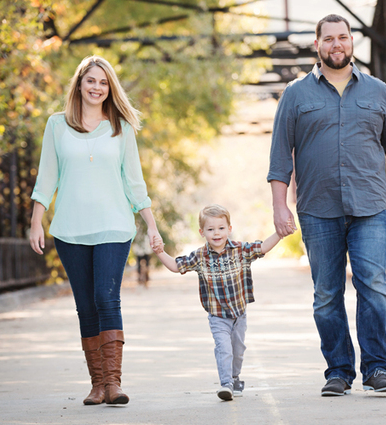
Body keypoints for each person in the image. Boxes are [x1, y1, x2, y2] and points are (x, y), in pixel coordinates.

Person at [267, 14, 386, 397]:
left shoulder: (378, 91)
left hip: (370, 206)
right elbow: (280, 157)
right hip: (318, 209)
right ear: (317, 45)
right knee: (327, 295)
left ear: (352, 42)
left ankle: (376, 368)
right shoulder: (295, 94)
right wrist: (280, 207)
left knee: (374, 288)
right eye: (329, 39)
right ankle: (338, 371)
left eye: (343, 37)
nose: (337, 44)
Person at [29, 55, 163, 406]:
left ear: (110, 88)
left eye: (103, 82)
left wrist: (151, 224)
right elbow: (47, 176)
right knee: (86, 306)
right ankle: (97, 385)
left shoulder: (121, 127)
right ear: (79, 84)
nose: (97, 87)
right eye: (91, 80)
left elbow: (134, 181)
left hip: (114, 226)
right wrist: (36, 220)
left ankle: (113, 383)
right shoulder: (57, 125)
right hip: (70, 229)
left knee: (106, 297)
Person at [154, 204, 290, 401]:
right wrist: (160, 252)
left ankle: (235, 378)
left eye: (221, 228)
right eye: (210, 229)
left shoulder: (240, 250)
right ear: (202, 232)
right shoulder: (200, 256)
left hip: (239, 313)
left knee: (238, 350)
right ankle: (226, 383)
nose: (216, 233)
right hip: (217, 316)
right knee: (224, 348)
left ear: (229, 229)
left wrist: (280, 234)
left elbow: (262, 247)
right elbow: (176, 266)